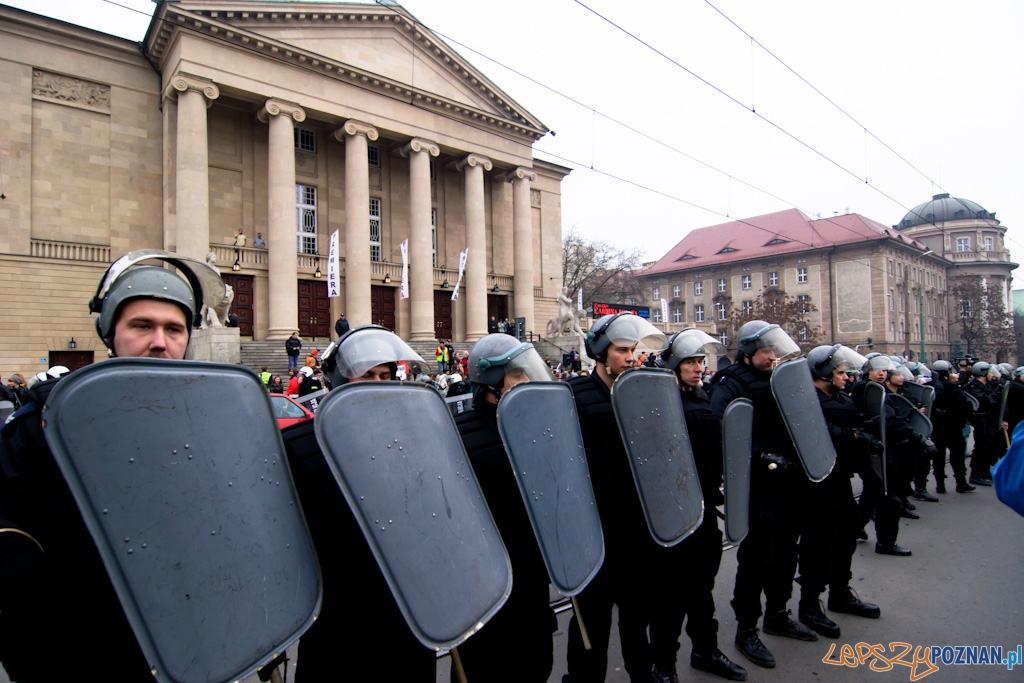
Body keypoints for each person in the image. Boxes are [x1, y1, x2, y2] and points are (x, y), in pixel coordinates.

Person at [0, 252, 213, 682]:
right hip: (81, 646)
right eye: (142, 326)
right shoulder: (46, 423)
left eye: (174, 329)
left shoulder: (211, 421)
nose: (160, 341)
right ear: (109, 332)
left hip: (187, 641)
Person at [279, 326, 436, 681]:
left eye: (385, 375)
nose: (377, 384)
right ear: (337, 379)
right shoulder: (297, 445)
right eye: (366, 375)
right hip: (337, 623)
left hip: (407, 615)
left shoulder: (416, 438)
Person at [564, 312, 668, 683]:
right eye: (622, 350)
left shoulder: (641, 392)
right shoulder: (574, 395)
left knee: (638, 614)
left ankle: (643, 673)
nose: (629, 357)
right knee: (591, 621)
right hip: (595, 529)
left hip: (637, 527)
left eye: (632, 350)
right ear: (600, 353)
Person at [708, 320, 816, 670]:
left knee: (788, 550)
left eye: (774, 349)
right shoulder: (731, 384)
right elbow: (723, 430)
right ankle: (746, 628)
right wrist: (759, 455)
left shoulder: (781, 379)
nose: (772, 356)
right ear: (748, 352)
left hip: (791, 480)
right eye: (766, 351)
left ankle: (778, 613)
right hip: (757, 484)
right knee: (758, 557)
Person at [451, 334, 558, 682]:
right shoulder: (457, 435)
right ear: (491, 385)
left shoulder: (537, 428)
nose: (527, 383)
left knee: (537, 664)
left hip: (532, 575)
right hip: (483, 584)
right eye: (517, 376)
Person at [650, 329, 747, 682]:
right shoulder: (658, 404)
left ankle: (705, 650)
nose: (697, 367)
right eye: (689, 362)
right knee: (670, 596)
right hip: (672, 512)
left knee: (701, 591)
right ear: (674, 366)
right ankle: (664, 664)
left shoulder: (703, 397)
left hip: (704, 508)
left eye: (699, 361)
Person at [797, 346, 882, 642]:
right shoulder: (809, 401)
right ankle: (809, 604)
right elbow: (822, 432)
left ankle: (840, 593)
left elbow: (850, 423)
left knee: (846, 537)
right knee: (819, 544)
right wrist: (855, 435)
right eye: (840, 372)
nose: (846, 377)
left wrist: (866, 431)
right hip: (819, 483)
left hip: (841, 478)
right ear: (823, 373)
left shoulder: (841, 397)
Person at [965, 362, 1000, 486]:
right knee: (981, 447)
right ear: (983, 373)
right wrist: (995, 395)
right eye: (990, 372)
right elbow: (986, 401)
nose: (992, 374)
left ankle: (984, 472)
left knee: (989, 447)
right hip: (981, 420)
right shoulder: (973, 387)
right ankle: (975, 475)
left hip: (989, 420)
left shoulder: (988, 385)